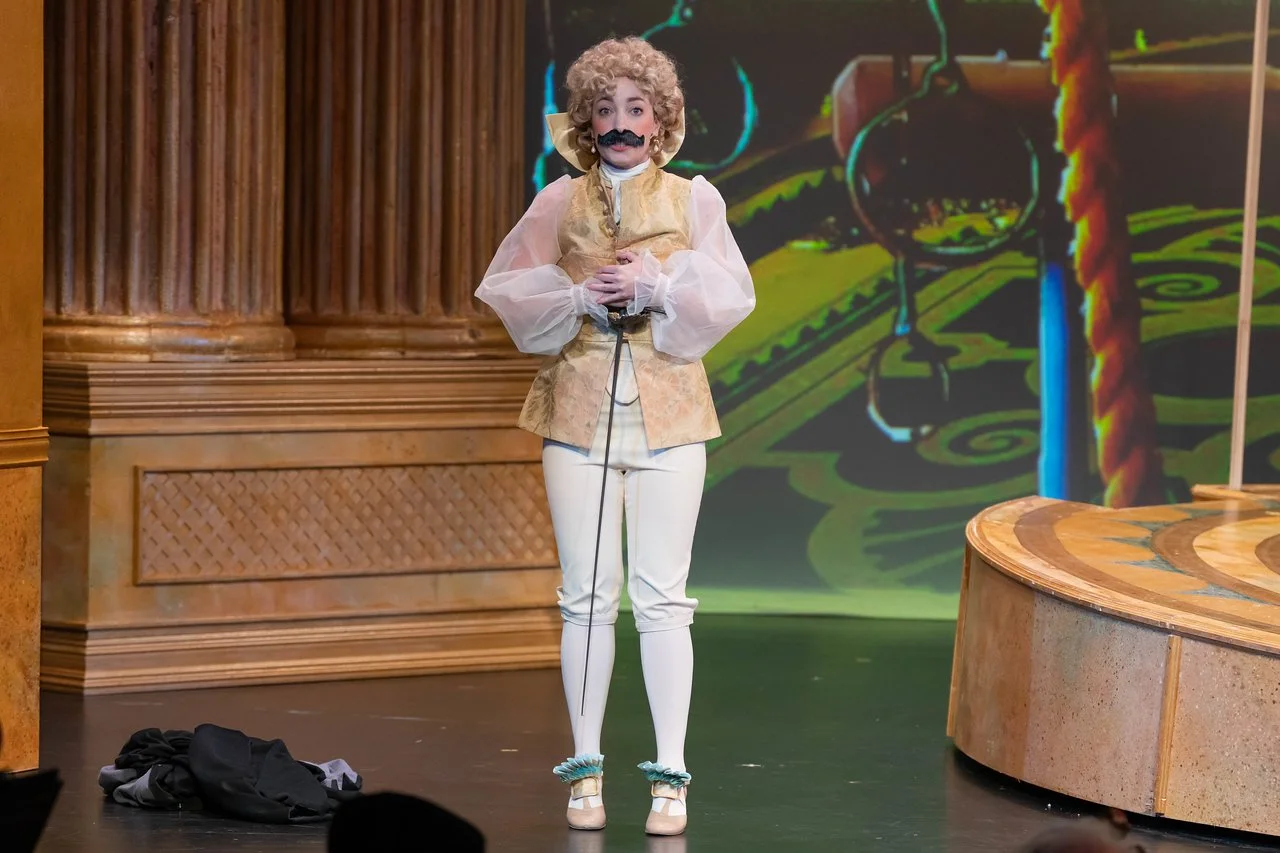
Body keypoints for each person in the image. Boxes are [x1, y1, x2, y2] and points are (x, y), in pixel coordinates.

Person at [474, 36, 755, 837]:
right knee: (586, 598)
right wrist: (579, 299)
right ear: (587, 122)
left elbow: (730, 295)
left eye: (638, 110)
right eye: (607, 110)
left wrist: (656, 286)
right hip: (578, 410)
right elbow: (509, 288)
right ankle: (585, 770)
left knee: (663, 598)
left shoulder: (695, 199)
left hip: (670, 413)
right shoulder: (558, 202)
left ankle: (672, 777)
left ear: (662, 121)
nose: (623, 124)